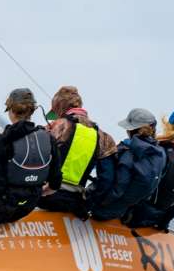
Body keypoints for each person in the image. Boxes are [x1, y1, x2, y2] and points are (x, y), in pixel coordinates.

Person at [0, 87, 61, 223]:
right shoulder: (49, 139)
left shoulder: (0, 142)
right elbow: (55, 185)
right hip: (27, 208)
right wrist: (32, 193)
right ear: (32, 111)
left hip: (1, 209)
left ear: (11, 111)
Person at [38, 86, 117, 218]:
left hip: (45, 197)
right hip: (74, 203)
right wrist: (87, 203)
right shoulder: (104, 137)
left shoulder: (58, 126)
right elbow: (106, 180)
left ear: (59, 107)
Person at [86, 107, 166, 223]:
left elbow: (119, 186)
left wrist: (95, 201)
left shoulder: (128, 152)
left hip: (103, 210)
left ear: (132, 130)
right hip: (124, 211)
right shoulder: (160, 153)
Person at [127, 108, 174, 230]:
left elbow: (141, 183)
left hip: (133, 216)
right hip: (157, 220)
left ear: (169, 126)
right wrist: (163, 223)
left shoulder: (158, 150)